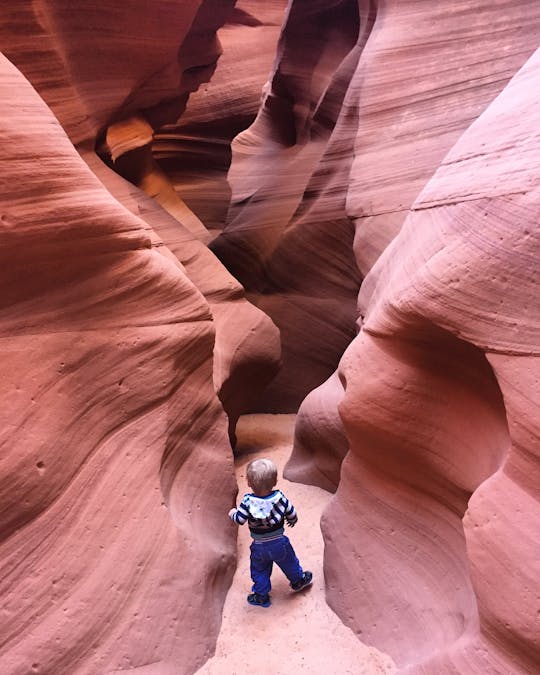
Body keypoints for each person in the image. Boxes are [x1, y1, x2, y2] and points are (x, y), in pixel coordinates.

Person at [229, 458, 313, 607]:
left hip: (259, 546)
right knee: (289, 562)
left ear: (248, 482)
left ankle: (261, 595)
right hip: (279, 542)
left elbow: (240, 519)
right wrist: (292, 520)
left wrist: (233, 513)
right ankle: (298, 580)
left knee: (259, 570)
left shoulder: (247, 502)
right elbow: (291, 512)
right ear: (275, 481)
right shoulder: (280, 498)